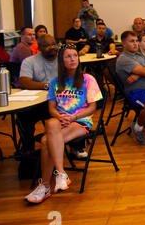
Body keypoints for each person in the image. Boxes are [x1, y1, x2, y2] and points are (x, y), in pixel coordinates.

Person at [24, 44, 103, 204]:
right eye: (68, 56)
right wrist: (61, 117)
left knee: (46, 141)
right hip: (60, 121)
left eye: (75, 55)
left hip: (80, 121)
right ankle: (60, 173)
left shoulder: (88, 79)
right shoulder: (55, 82)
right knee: (51, 122)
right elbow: (51, 108)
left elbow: (92, 107)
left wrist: (73, 118)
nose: (73, 59)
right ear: (61, 61)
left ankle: (45, 186)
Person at [17, 34, 58, 153]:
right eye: (47, 45)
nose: (52, 47)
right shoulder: (30, 61)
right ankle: (28, 150)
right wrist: (47, 86)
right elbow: (24, 82)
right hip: (37, 103)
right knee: (23, 116)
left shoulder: (63, 59)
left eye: (53, 44)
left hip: (59, 101)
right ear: (39, 47)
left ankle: (75, 146)